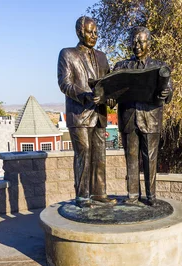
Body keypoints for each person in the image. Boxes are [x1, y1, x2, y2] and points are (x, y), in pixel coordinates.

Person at [57, 16, 116, 208]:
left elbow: (108, 84)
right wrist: (85, 96)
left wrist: (112, 96)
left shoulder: (102, 57)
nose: (94, 36)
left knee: (100, 155)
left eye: (96, 32)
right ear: (79, 32)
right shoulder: (68, 54)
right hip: (79, 114)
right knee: (84, 153)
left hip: (99, 114)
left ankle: (99, 193)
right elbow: (65, 84)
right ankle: (82, 196)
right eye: (90, 32)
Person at [113, 27, 172, 206]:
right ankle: (132, 196)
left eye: (142, 41)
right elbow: (112, 92)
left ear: (149, 43)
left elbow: (169, 92)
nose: (137, 45)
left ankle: (151, 196)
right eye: (134, 41)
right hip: (129, 119)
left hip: (151, 119)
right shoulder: (121, 67)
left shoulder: (160, 67)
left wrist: (166, 92)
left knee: (150, 158)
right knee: (131, 157)